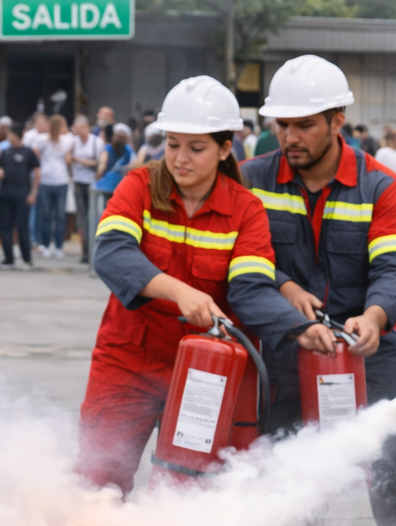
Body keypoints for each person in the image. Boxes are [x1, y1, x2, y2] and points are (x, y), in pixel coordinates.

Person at [242, 55, 396, 526]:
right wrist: (285, 290)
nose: (289, 137)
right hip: (287, 353)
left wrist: (376, 317)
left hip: (371, 356)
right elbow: (244, 260)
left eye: (304, 124)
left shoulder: (381, 187)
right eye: (282, 125)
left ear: (338, 121)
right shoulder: (251, 179)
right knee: (287, 482)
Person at [81, 76, 329, 493]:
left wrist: (298, 327)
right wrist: (180, 291)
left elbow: (250, 286)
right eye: (173, 144)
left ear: (224, 149)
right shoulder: (138, 187)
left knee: (187, 488)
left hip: (207, 369)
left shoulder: (245, 209)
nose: (179, 159)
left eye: (196, 148)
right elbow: (110, 253)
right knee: (97, 478)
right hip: (128, 361)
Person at [0, 131, 39, 268]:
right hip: (5, 192)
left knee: (22, 227)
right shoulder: (5, 152)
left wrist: (33, 192)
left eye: (12, 134)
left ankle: (26, 259)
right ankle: (8, 258)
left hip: (22, 193)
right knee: (5, 226)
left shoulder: (28, 152)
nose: (9, 137)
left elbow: (37, 172)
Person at [67, 114, 105, 264]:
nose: (75, 130)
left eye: (77, 127)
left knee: (92, 217)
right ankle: (84, 251)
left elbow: (98, 163)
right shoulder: (74, 142)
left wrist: (78, 160)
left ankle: (91, 250)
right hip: (78, 181)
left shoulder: (96, 142)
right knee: (82, 218)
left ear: (84, 127)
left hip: (91, 183)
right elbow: (68, 158)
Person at [34, 114, 72, 258]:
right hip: (54, 180)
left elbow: (36, 156)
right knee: (58, 216)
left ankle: (47, 244)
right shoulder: (45, 140)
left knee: (47, 215)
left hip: (53, 180)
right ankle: (56, 246)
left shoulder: (43, 140)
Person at [95, 123, 135, 195]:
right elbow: (133, 165)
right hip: (120, 186)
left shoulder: (107, 149)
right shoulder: (128, 150)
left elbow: (102, 167)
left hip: (105, 185)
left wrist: (96, 178)